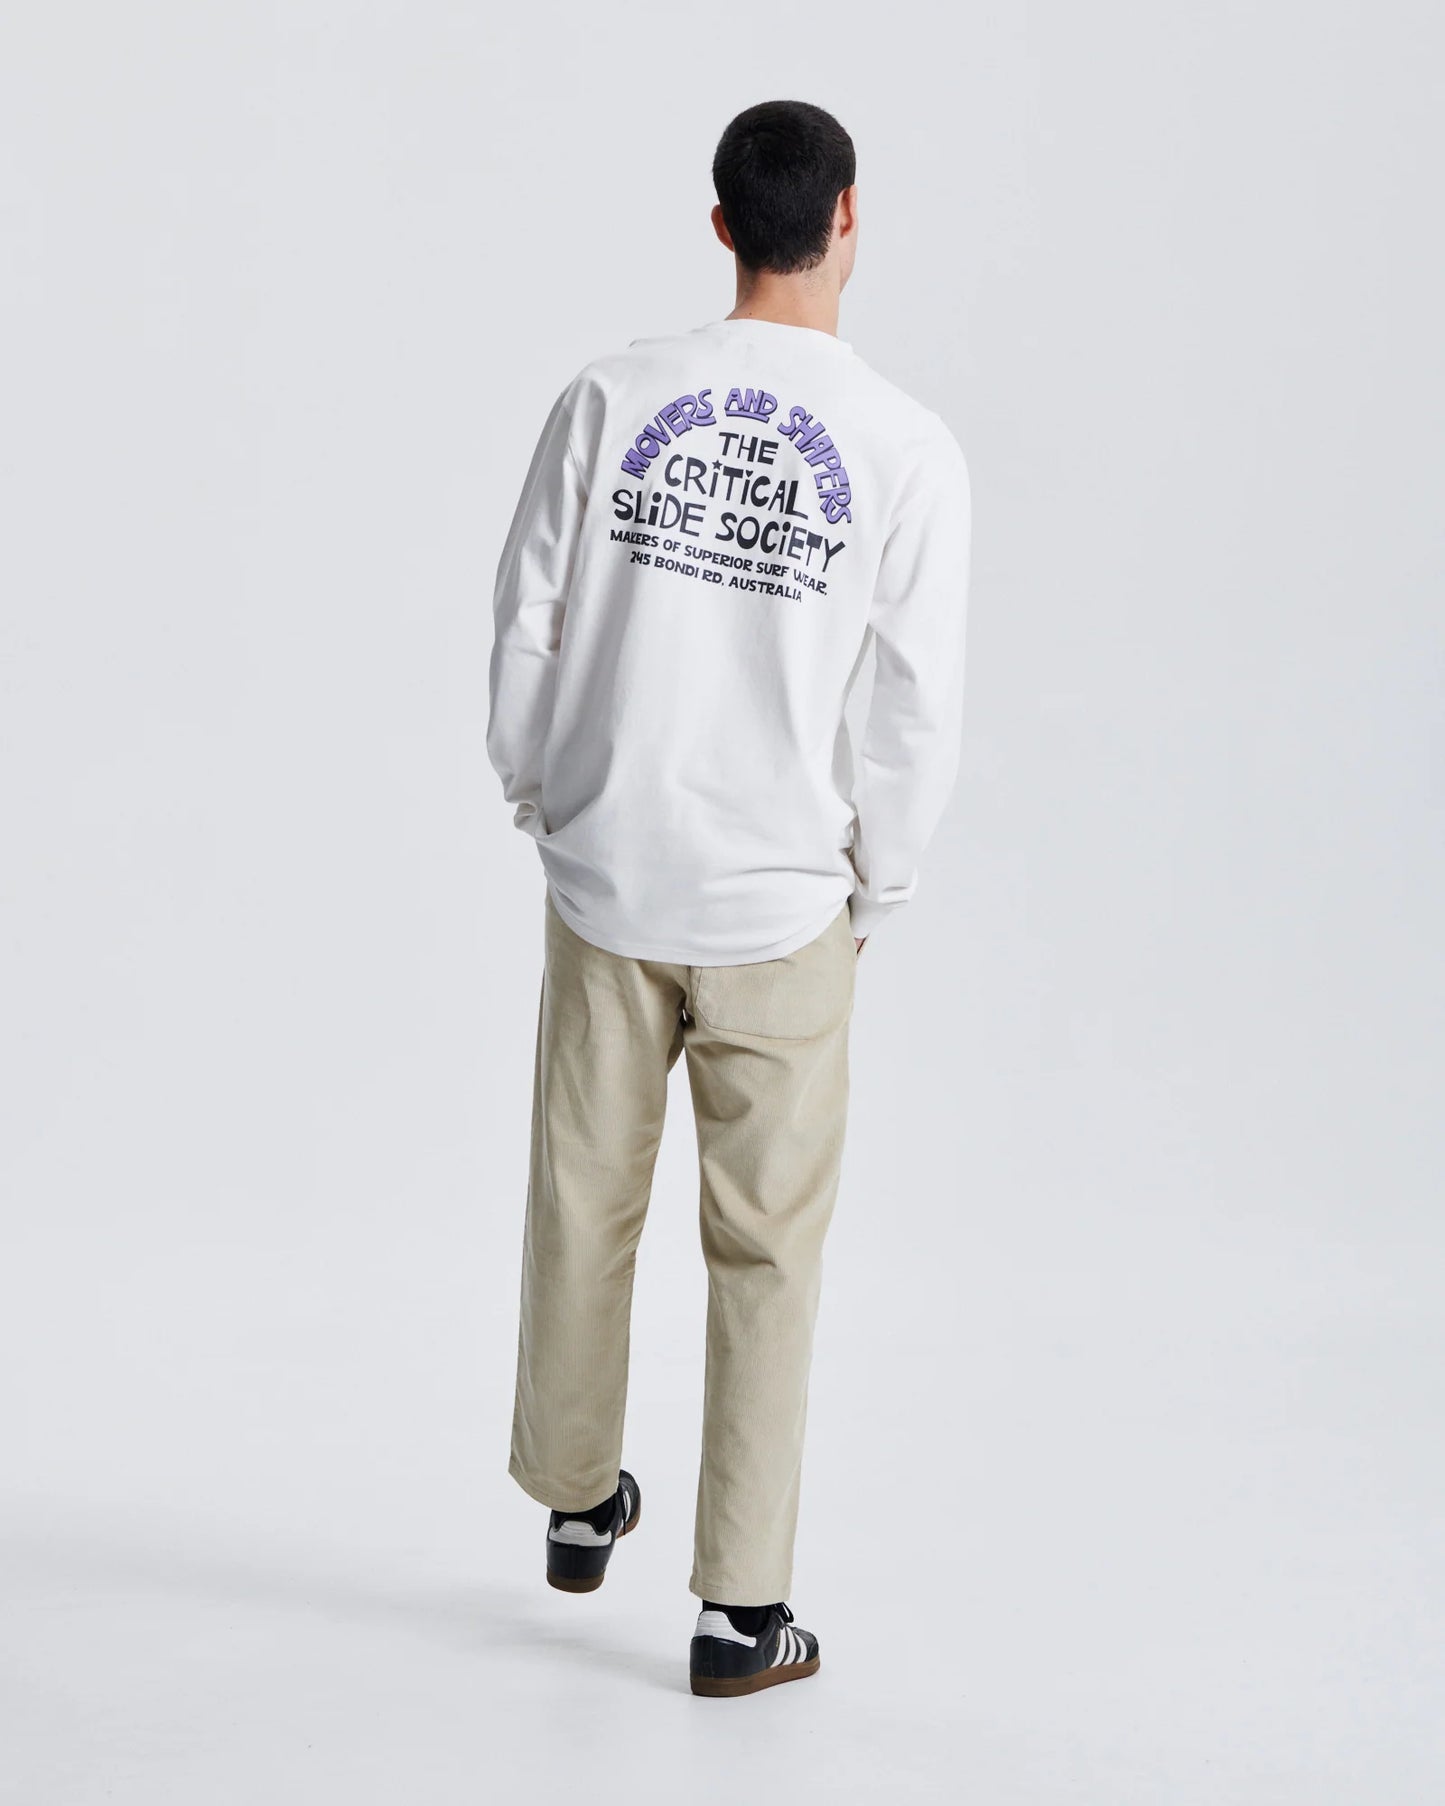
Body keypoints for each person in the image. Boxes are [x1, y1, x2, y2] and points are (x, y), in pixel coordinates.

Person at [487, 98, 971, 1698]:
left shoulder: (610, 394)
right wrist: (875, 885)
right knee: (764, 1254)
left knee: (582, 1196)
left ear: (720, 226)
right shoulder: (903, 446)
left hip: (609, 872)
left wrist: (539, 795)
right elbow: (913, 707)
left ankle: (576, 1499)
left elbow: (528, 615)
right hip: (780, 900)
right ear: (849, 219)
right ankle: (738, 1611)